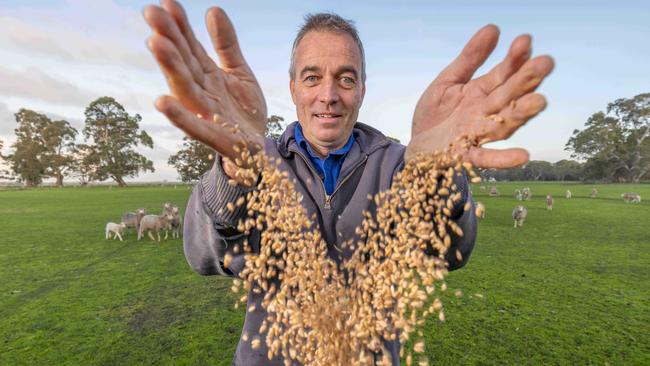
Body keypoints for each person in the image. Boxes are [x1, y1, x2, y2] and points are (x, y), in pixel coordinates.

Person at [143, 1, 554, 364]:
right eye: (311, 77)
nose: (328, 95)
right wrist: (235, 175)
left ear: (361, 89)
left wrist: (437, 177)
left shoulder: (401, 164)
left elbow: (451, 254)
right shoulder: (256, 161)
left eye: (344, 78)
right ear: (292, 88)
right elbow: (202, 257)